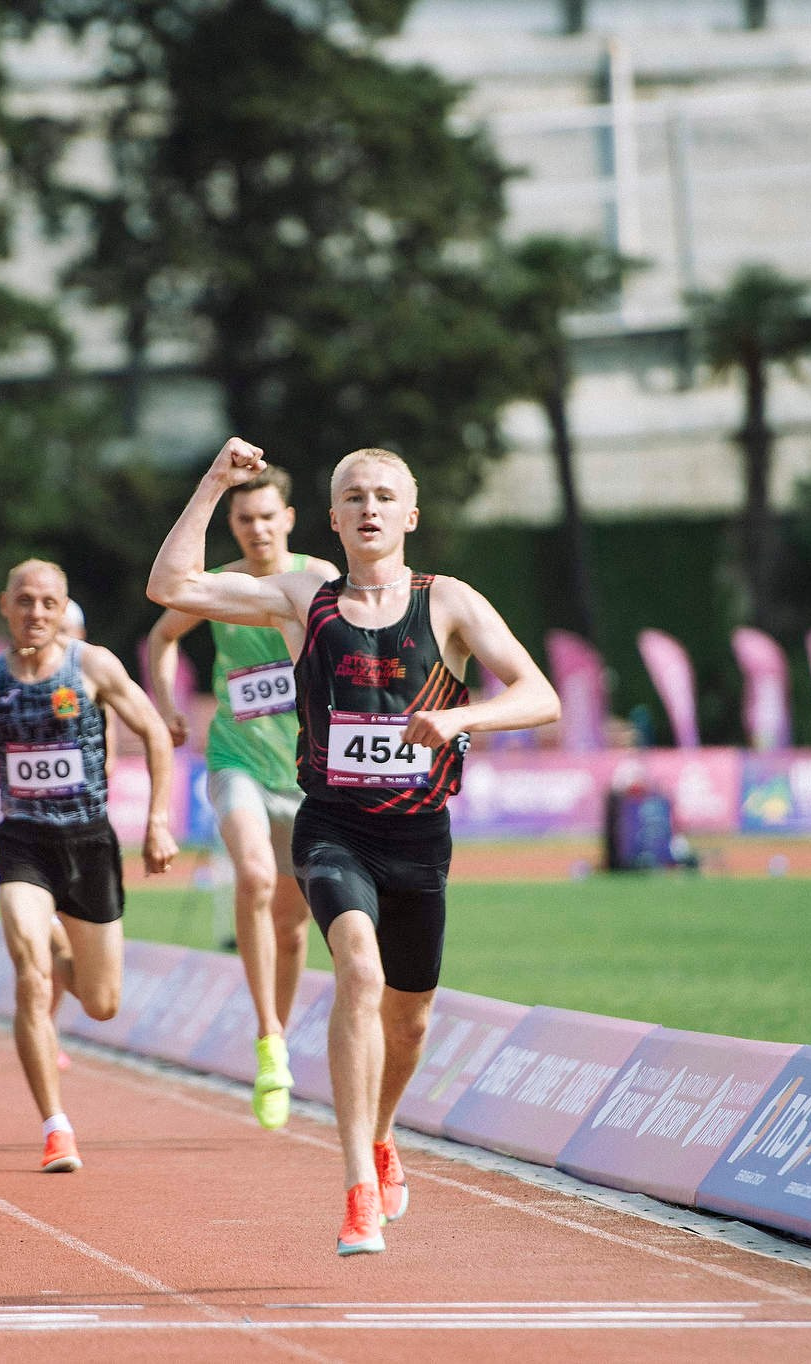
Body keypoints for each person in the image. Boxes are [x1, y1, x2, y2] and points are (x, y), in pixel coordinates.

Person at [148, 440, 558, 1256]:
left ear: (409, 515)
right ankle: (357, 1190)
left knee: (408, 1024)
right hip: (333, 825)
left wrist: (459, 719)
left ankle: (382, 1134)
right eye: (354, 497)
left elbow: (538, 694)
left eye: (383, 496)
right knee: (358, 975)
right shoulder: (305, 596)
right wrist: (212, 484)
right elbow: (170, 588)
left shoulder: (448, 603)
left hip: (419, 839)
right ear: (332, 519)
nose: (369, 508)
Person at [0, 559, 177, 1173]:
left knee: (102, 1002)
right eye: (25, 602)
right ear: (5, 606)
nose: (36, 613)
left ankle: (69, 957)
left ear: (64, 612)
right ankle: (56, 1127)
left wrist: (158, 820)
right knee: (30, 976)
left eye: (49, 603)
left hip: (89, 845)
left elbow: (156, 734)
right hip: (23, 846)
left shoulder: (94, 667)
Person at [145, 465, 338, 1129]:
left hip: (307, 775)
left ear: (287, 518)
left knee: (290, 930)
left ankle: (276, 1045)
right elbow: (162, 636)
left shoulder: (321, 583)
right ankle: (267, 1036)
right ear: (233, 526)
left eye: (266, 516)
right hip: (237, 762)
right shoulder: (221, 585)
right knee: (252, 875)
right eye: (243, 519)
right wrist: (169, 706)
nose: (256, 529)